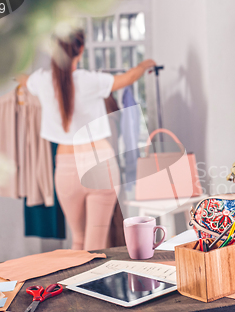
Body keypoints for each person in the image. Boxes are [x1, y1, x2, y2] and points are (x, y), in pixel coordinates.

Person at [24, 29, 155, 250]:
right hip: (100, 163)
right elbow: (129, 78)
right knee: (96, 246)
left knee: (78, 240)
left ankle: (75, 285)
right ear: (81, 49)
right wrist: (145, 65)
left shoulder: (42, 80)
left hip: (66, 167)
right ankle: (94, 284)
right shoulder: (91, 80)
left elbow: (25, 80)